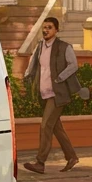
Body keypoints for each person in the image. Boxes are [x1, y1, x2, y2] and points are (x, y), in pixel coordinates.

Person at [23, 16, 83, 173]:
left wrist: (60, 78)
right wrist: (27, 75)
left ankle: (40, 162)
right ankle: (72, 157)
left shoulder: (64, 47)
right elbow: (33, 64)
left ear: (56, 30)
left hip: (57, 94)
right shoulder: (40, 47)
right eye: (44, 27)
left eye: (49, 27)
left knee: (45, 126)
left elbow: (73, 65)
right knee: (56, 128)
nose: (46, 30)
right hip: (44, 93)